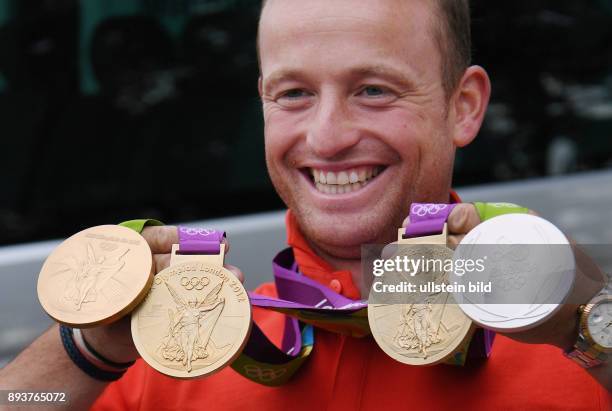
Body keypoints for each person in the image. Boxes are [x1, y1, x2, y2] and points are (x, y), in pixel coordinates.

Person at [0, 0, 610, 409]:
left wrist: (594, 330)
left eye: (374, 90)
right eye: (293, 93)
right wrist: (83, 349)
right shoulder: (169, 354)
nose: (326, 137)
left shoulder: (576, 342)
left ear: (464, 106)